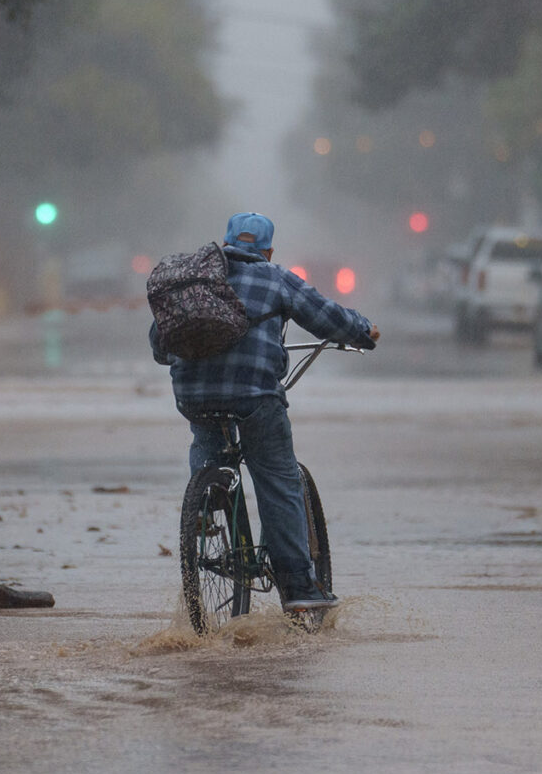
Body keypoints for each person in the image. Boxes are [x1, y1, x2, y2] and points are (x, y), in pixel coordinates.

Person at [149, 211, 379, 614]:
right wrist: (363, 330)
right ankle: (299, 587)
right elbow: (327, 318)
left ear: (225, 243)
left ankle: (206, 503)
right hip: (254, 396)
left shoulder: (196, 281)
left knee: (206, 435)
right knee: (278, 478)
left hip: (193, 396)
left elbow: (159, 346)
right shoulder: (275, 278)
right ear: (268, 250)